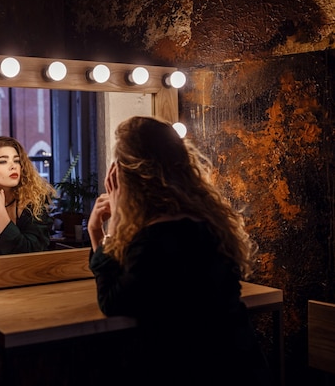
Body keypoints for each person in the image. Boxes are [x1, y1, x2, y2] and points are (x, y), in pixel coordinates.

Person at [87, 116, 270, 386]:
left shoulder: (154, 240)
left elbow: (113, 302)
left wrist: (103, 231)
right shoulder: (207, 223)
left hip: (193, 371)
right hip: (241, 364)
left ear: (129, 178)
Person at [0, 136, 56, 257]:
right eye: (3, 161)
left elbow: (28, 255)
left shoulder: (34, 203)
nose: (13, 166)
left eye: (16, 161)